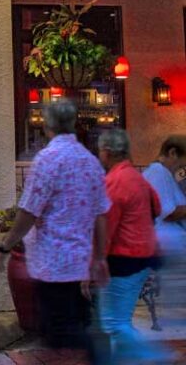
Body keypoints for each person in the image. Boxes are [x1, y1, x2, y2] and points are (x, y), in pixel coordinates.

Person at [0, 99, 110, 352]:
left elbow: (28, 213)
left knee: (59, 334)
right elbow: (101, 215)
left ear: (47, 127)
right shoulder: (90, 162)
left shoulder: (47, 160)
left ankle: (100, 354)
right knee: (74, 326)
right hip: (80, 264)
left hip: (53, 264)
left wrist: (4, 248)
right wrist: (99, 258)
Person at [94, 129, 169, 364]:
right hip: (144, 256)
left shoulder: (114, 182)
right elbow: (156, 208)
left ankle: (152, 356)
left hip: (123, 259)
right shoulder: (138, 178)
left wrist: (97, 262)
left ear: (107, 152)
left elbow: (106, 228)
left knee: (113, 322)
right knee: (120, 319)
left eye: (100, 151)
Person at [143, 135, 186, 325]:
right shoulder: (158, 173)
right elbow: (167, 212)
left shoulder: (162, 173)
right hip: (169, 240)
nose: (182, 168)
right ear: (172, 153)